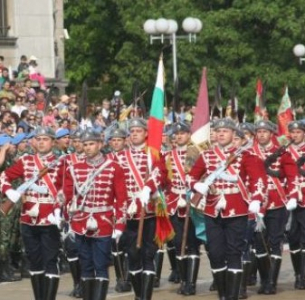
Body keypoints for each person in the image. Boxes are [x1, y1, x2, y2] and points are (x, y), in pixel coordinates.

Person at [187, 118, 267, 300]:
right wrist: (196, 186)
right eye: (218, 131)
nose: (221, 134)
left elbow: (259, 180)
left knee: (234, 252)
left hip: (236, 208)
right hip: (211, 208)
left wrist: (256, 199)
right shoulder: (207, 155)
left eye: (225, 131)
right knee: (215, 253)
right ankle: (222, 294)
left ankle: (231, 296)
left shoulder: (245, 156)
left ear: (233, 134)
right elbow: (190, 177)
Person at [0, 126, 65, 300]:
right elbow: (4, 176)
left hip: (50, 218)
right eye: (38, 139)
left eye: (45, 139)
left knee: (51, 261)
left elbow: (67, 189)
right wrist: (8, 191)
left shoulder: (61, 162)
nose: (41, 142)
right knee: (34, 262)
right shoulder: (26, 161)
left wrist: (59, 209)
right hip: (28, 218)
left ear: (53, 141)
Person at [63, 128, 128, 300]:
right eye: (85, 144)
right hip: (80, 223)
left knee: (101, 265)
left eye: (91, 144)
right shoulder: (74, 168)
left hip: (104, 222)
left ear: (100, 144)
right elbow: (68, 196)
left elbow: (122, 199)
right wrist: (65, 216)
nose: (88, 147)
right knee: (85, 264)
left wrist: (120, 225)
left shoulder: (114, 168)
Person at [114, 118, 167, 300]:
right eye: (132, 131)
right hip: (128, 213)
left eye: (138, 130)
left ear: (146, 133)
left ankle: (146, 296)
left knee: (148, 255)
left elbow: (161, 173)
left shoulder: (154, 155)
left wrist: (148, 186)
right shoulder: (118, 157)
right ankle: (138, 294)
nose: (134, 133)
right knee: (132, 255)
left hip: (149, 211)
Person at [252, 120, 299, 295]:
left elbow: (292, 175)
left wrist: (293, 196)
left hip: (277, 201)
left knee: (275, 242)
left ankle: (271, 282)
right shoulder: (250, 153)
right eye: (259, 131)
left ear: (272, 134)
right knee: (258, 244)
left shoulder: (282, 153)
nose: (261, 134)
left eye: (265, 131)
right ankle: (264, 280)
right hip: (257, 204)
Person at [164, 122, 201, 295]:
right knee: (178, 243)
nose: (179, 136)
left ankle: (191, 283)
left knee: (192, 244)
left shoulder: (196, 153)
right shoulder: (168, 156)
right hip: (174, 203)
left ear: (189, 135)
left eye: (182, 133)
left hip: (192, 201)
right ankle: (183, 279)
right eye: (176, 134)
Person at [285, 121, 305, 289]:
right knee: (292, 238)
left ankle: (303, 276)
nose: (295, 135)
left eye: (299, 131)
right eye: (293, 132)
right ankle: (298, 273)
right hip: (288, 198)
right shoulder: (285, 152)